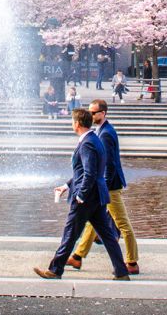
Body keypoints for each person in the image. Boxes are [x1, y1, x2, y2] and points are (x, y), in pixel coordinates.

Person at [34, 107, 130, 281]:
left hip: (87, 198)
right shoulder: (93, 139)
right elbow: (83, 172)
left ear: (77, 123)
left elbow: (90, 173)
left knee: (70, 233)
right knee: (108, 236)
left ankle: (55, 270)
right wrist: (66, 185)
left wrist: (81, 195)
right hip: (97, 196)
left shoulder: (87, 143)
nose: (72, 124)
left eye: (72, 122)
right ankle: (121, 271)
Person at [67, 100, 140, 275]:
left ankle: (132, 261)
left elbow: (109, 165)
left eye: (94, 113)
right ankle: (77, 256)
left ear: (104, 113)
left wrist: (103, 187)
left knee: (122, 223)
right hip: (107, 185)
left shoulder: (105, 133)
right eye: (90, 113)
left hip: (110, 187)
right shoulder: (101, 131)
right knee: (94, 221)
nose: (91, 116)